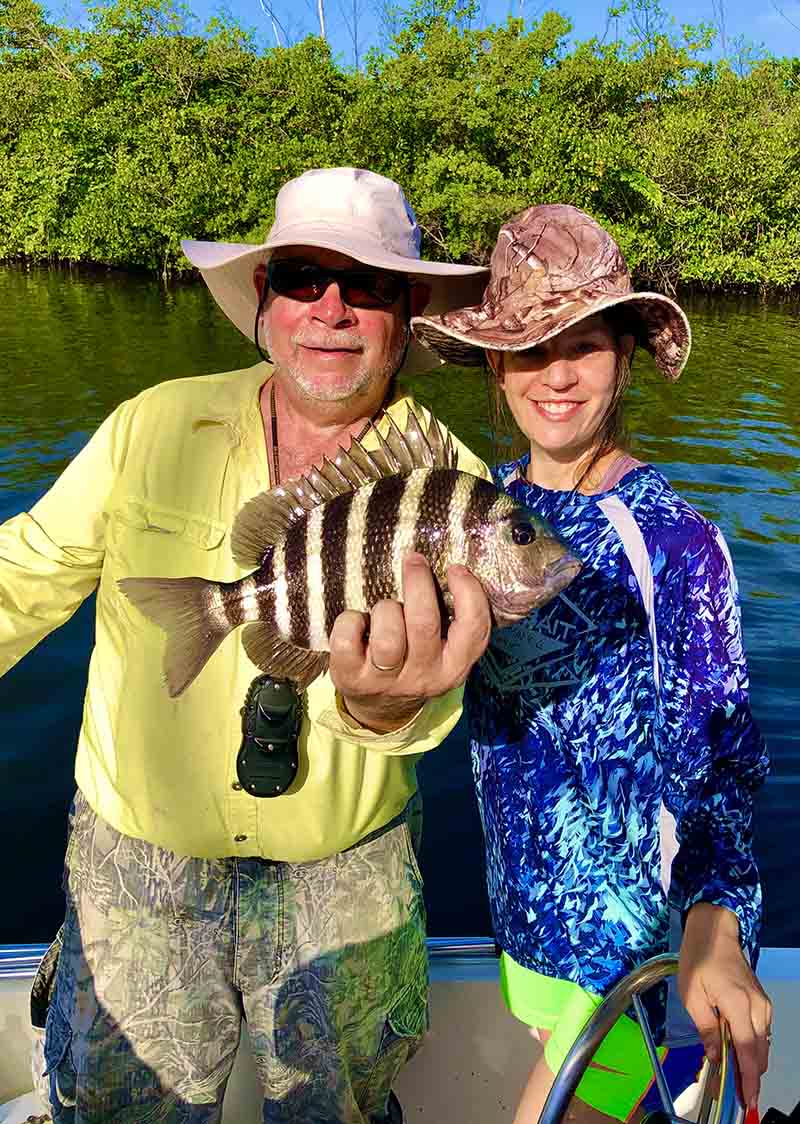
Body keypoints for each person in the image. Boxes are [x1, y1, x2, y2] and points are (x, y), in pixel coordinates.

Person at [0, 167, 493, 1123]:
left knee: (336, 1110)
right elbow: (27, 568)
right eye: (305, 276)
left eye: (372, 285)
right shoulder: (151, 426)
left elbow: (445, 696)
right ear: (264, 303)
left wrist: (387, 703)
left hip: (348, 874)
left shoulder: (456, 487)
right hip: (133, 871)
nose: (333, 309)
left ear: (410, 313)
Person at [412, 203, 772, 1124]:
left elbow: (724, 768)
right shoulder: (485, 517)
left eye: (586, 343)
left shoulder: (676, 543)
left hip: (634, 966)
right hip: (533, 939)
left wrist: (715, 928)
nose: (557, 374)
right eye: (528, 349)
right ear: (496, 365)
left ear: (624, 357)